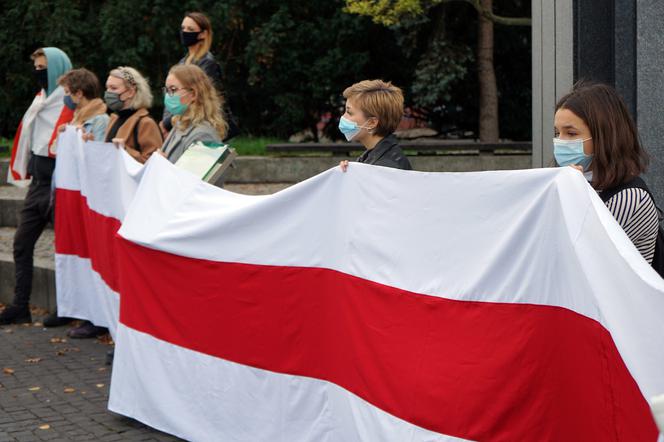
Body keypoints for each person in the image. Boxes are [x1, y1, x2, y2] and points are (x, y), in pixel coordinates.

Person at [0, 47, 74, 326]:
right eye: (36, 68)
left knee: (65, 249)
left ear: (57, 68)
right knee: (21, 244)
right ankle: (21, 306)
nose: (38, 73)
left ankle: (65, 307)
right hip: (39, 183)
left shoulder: (71, 101)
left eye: (43, 68)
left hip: (61, 182)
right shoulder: (41, 98)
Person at [554, 82, 661, 266]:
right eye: (557, 133)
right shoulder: (576, 182)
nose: (560, 142)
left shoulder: (629, 197)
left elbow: (579, 258)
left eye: (571, 133)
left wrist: (573, 193)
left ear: (604, 136)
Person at [161, 11, 238, 140]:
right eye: (183, 28)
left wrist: (167, 123)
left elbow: (203, 98)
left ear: (203, 34)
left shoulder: (207, 62)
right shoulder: (183, 61)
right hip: (184, 124)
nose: (185, 32)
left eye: (190, 29)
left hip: (200, 127)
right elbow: (173, 95)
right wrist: (166, 122)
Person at [338, 80, 412, 172]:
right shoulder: (377, 156)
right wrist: (349, 173)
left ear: (372, 123)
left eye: (349, 112)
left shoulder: (385, 168)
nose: (343, 117)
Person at [160, 64, 228, 163]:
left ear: (193, 94)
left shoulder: (203, 135)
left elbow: (196, 177)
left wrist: (161, 165)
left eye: (173, 90)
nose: (168, 95)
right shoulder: (181, 123)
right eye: (166, 90)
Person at [103, 66, 162, 163]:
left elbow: (154, 163)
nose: (108, 92)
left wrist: (125, 150)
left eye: (113, 88)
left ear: (130, 92)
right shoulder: (114, 118)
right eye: (107, 88)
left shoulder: (145, 123)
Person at [58, 68, 109, 141]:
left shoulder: (101, 120)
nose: (65, 96)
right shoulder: (78, 117)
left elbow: (99, 150)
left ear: (79, 93)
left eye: (67, 92)